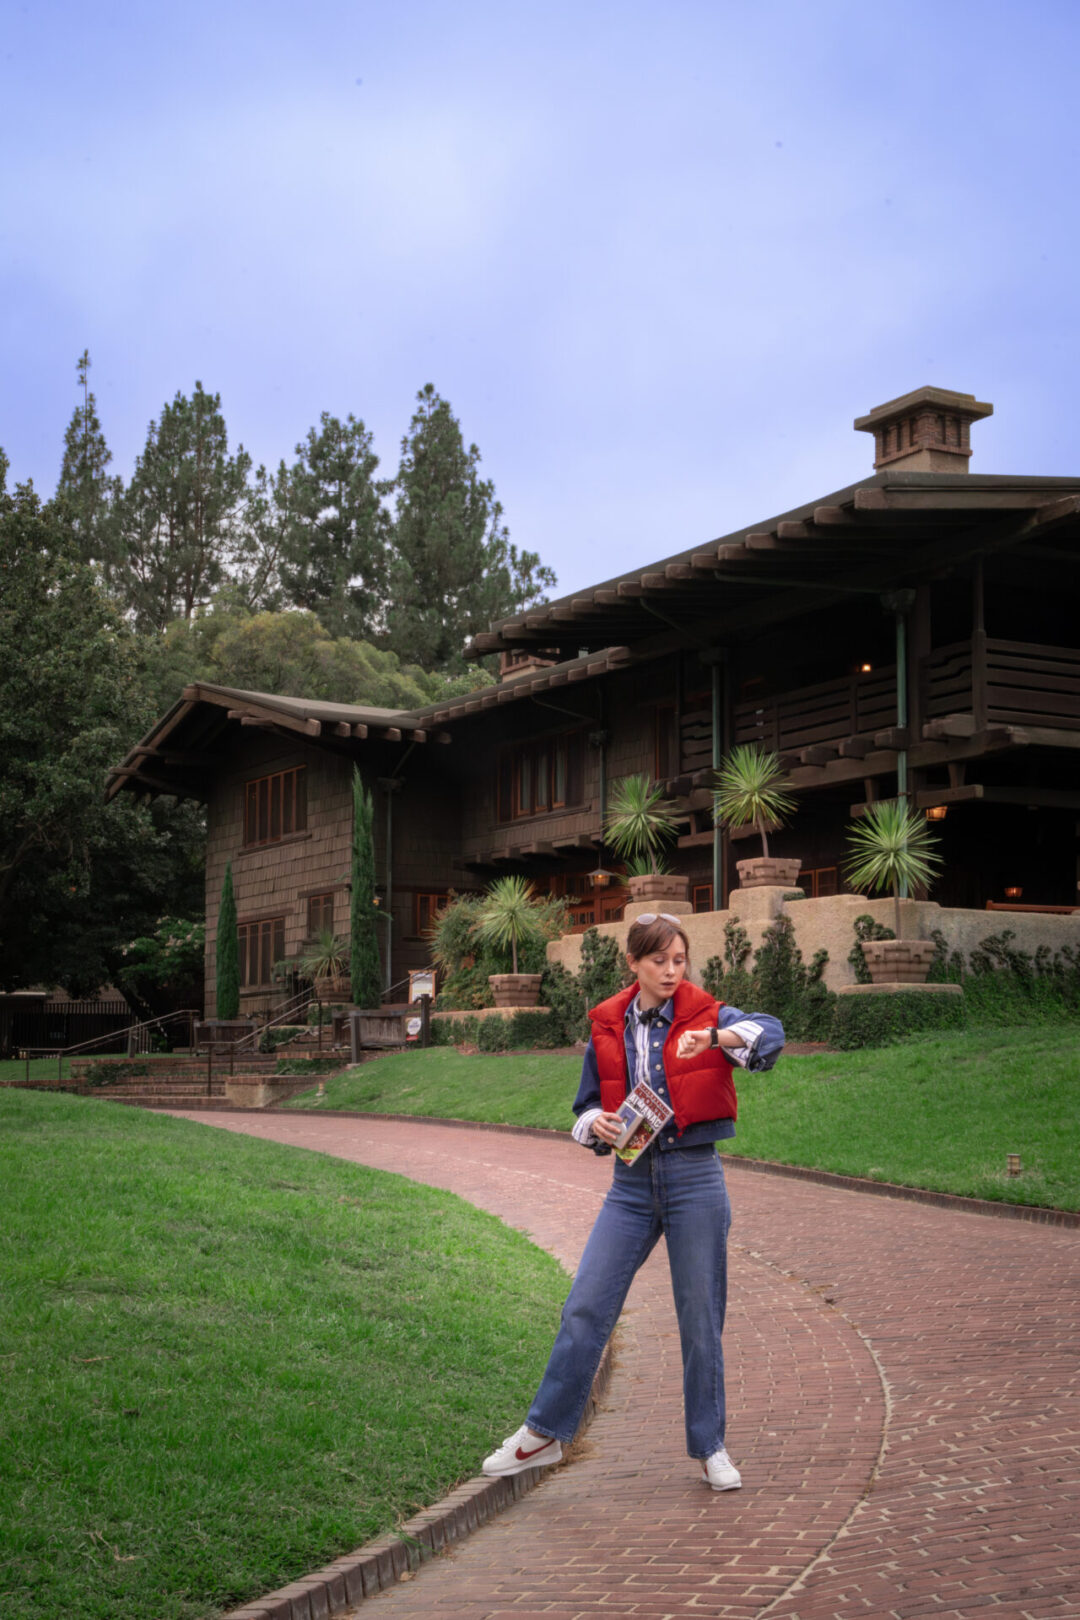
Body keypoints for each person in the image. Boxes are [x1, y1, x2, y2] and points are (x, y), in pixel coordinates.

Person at [482, 911, 784, 1492]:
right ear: (633, 964)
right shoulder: (608, 1025)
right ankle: (543, 1434)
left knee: (700, 1320)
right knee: (585, 1306)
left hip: (696, 1178)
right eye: (658, 961)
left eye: (679, 960)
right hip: (631, 1186)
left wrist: (715, 1038)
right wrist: (598, 1125)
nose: (672, 971)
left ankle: (710, 1446)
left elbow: (769, 1036)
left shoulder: (705, 1012)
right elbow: (585, 1106)